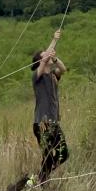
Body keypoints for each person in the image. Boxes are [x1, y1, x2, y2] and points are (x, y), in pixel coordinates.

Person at [31, 28, 69, 182]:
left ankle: (41, 176)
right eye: (44, 55)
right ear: (40, 61)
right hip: (42, 123)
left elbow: (63, 69)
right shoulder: (37, 77)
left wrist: (55, 58)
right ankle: (41, 181)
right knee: (47, 156)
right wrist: (54, 40)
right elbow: (44, 60)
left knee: (63, 154)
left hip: (53, 123)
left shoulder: (53, 75)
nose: (48, 56)